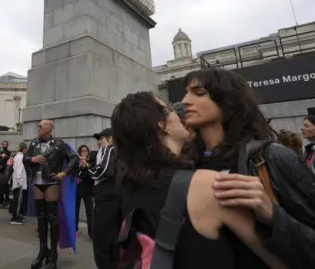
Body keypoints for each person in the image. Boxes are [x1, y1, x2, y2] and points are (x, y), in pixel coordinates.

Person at [112, 91, 288, 269]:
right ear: (163, 125)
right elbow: (277, 259)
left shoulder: (127, 184)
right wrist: (273, 214)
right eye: (169, 108)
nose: (178, 112)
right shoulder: (208, 185)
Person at [181, 68, 315, 268]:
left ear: (227, 101)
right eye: (186, 92)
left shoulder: (272, 158)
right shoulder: (186, 162)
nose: (185, 100)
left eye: (199, 93)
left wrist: (272, 215)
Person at [24, 119, 78, 269]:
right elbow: (25, 159)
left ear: (50, 128)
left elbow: (74, 157)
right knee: (41, 217)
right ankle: (43, 250)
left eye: (42, 125)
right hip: (37, 182)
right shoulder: (34, 143)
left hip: (52, 183)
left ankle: (53, 253)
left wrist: (64, 173)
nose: (39, 127)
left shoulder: (59, 144)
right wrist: (33, 159)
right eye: (38, 125)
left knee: (52, 217)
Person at [88, 129, 120, 268]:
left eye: (101, 138)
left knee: (102, 238)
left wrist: (88, 169)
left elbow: (103, 170)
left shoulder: (109, 148)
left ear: (111, 139)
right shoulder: (121, 151)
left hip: (106, 200)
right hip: (115, 199)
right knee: (113, 236)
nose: (99, 142)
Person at [75, 145, 95, 238]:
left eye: (86, 151)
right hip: (77, 189)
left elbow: (92, 176)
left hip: (88, 190)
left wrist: (87, 165)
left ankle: (91, 233)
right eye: (82, 151)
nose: (84, 152)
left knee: (90, 212)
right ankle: (74, 230)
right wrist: (79, 166)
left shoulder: (91, 162)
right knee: (75, 210)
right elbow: (73, 175)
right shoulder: (76, 163)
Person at [10, 142, 29, 225]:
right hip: (19, 182)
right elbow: (18, 170)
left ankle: (17, 215)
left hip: (17, 181)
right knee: (17, 200)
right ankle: (15, 218)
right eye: (26, 148)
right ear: (24, 149)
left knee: (17, 199)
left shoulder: (17, 156)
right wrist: (20, 181)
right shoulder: (21, 157)